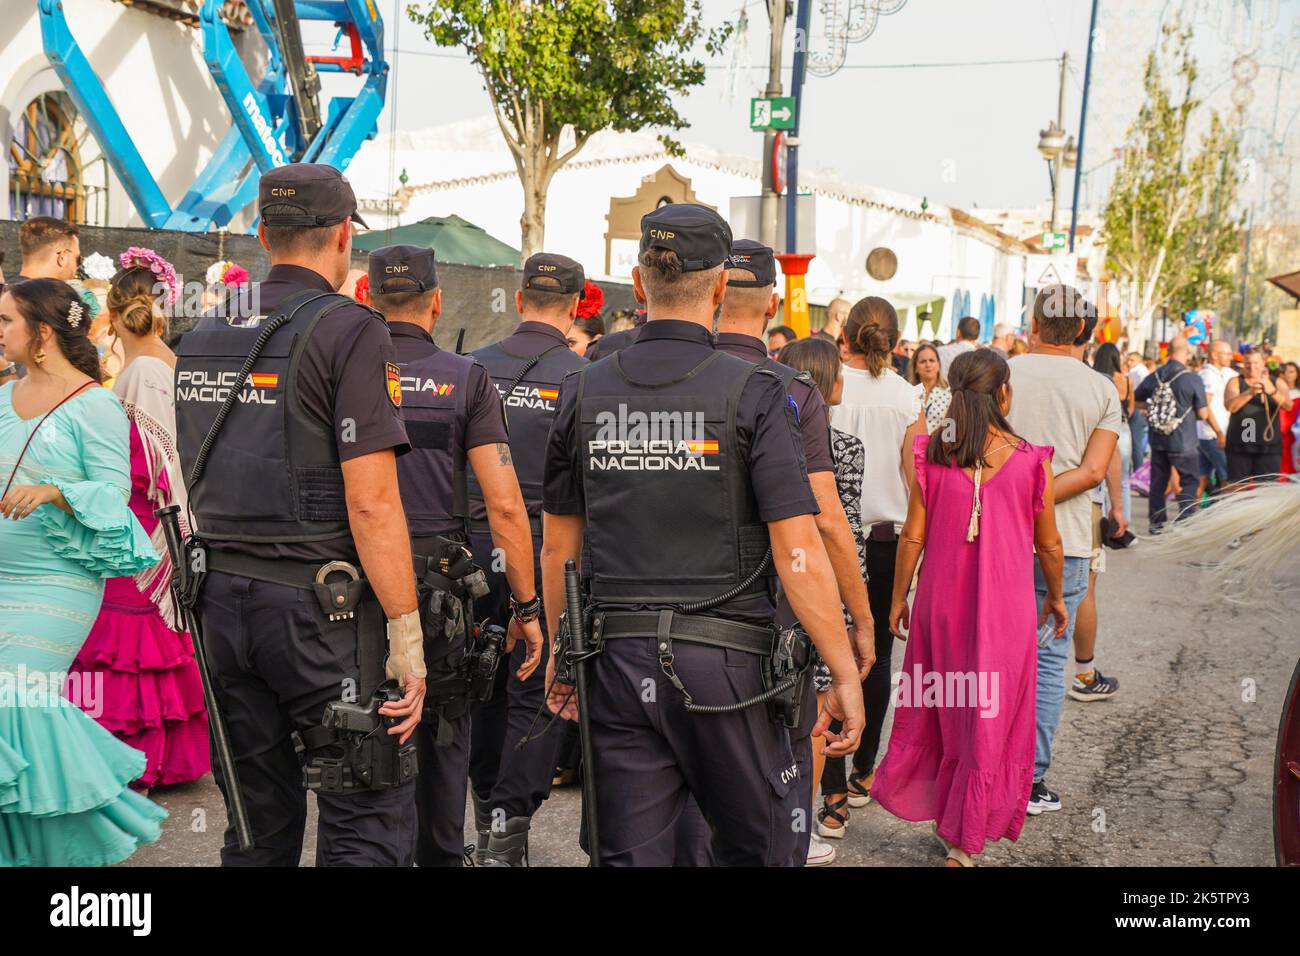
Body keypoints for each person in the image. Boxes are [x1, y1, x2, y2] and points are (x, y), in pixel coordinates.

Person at [540, 203, 865, 866]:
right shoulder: (758, 392)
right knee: (761, 847)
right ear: (720, 289)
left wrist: (562, 653)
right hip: (730, 671)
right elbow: (798, 549)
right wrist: (842, 668)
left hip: (618, 663)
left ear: (639, 285)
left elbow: (558, 549)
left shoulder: (582, 390)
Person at [174, 164, 426, 866]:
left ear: (261, 233)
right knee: (364, 812)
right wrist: (408, 637)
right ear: (345, 236)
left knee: (255, 824)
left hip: (220, 603)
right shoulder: (351, 330)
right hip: (321, 613)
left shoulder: (204, 328)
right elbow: (372, 501)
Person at [366, 244, 544, 867]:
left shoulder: (337, 370)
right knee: (443, 739)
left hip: (352, 582)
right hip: (437, 589)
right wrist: (526, 605)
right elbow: (504, 508)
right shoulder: (465, 378)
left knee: (357, 728)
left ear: (366, 297)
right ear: (437, 303)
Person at [716, 240, 874, 867]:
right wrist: (857, 623)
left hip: (649, 622)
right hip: (768, 617)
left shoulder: (638, 374)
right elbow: (826, 524)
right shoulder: (788, 390)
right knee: (777, 765)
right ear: (772, 304)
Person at [875, 349, 1066, 866]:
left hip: (941, 608)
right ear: (1003, 394)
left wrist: (899, 598)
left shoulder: (934, 453)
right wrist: (1054, 594)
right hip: (1004, 616)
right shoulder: (1031, 460)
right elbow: (1049, 545)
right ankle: (965, 839)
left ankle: (950, 821)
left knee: (947, 708)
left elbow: (913, 535)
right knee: (990, 716)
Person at [0, 277, 167, 865]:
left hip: (55, 583)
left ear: (41, 332)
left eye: (6, 321)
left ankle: (71, 845)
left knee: (14, 699)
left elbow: (115, 496)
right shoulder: (0, 397)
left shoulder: (94, 404)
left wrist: (53, 491)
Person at [66, 253, 209, 790]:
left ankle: (130, 755)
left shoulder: (145, 370)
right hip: (140, 515)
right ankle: (148, 754)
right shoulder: (160, 363)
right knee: (137, 640)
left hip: (141, 519)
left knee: (126, 643)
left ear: (118, 314)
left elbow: (153, 461)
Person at [467, 252, 590, 865]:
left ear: (519, 301)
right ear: (575, 306)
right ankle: (506, 824)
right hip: (549, 546)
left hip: (470, 546)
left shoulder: (470, 367)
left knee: (479, 681)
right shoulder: (585, 375)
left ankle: (490, 811)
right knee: (541, 683)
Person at [1006, 284, 1120, 814]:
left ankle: (987, 766)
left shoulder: (1003, 372)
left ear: (1035, 323)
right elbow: (1095, 471)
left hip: (995, 535)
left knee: (993, 654)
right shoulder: (1101, 388)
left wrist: (1012, 495)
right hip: (1067, 541)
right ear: (1082, 330)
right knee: (1050, 659)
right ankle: (1029, 781)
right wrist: (1040, 496)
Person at [819, 294, 922, 837]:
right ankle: (862, 772)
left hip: (828, 537)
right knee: (877, 655)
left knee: (827, 656)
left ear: (848, 332)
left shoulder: (827, 382)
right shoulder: (908, 396)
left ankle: (831, 789)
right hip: (888, 540)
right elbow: (914, 480)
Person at [778, 335, 867, 865]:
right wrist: (858, 614)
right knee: (814, 711)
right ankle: (801, 824)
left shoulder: (760, 434)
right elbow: (844, 528)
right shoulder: (846, 447)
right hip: (826, 587)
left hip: (774, 585)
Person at [1135, 336, 1218, 530]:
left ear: (1169, 351)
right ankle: (1185, 520)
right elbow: (1204, 413)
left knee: (1158, 481)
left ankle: (1157, 523)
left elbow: (1137, 399)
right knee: (1190, 480)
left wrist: (1154, 408)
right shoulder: (1192, 378)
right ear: (1186, 352)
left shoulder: (1155, 375)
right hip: (1184, 440)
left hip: (1157, 438)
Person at [1223, 350, 1293, 484]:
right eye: (1248, 363)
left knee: (1267, 489)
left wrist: (1271, 391)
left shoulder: (1276, 382)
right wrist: (1250, 392)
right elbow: (1231, 407)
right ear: (1243, 364)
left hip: (1269, 446)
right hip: (1240, 445)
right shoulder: (1236, 381)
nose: (1252, 366)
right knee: (1237, 488)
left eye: (1256, 363)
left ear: (1263, 363)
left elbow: (1288, 406)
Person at [1091, 343, 1134, 523]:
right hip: (1123, 429)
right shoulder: (1125, 380)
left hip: (1102, 430)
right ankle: (1124, 521)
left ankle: (1100, 518)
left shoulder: (1095, 379)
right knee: (1123, 480)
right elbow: (1130, 410)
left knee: (1099, 479)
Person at [1197, 339, 1235, 497]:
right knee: (1227, 477)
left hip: (1211, 434)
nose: (1230, 357)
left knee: (1203, 476)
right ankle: (1225, 516)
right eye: (1226, 353)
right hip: (1213, 435)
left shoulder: (1225, 373)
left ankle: (1190, 514)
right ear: (1214, 355)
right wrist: (1219, 432)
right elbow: (1206, 408)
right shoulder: (1208, 375)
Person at [12, 216, 81, 284]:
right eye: (78, 259)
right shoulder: (57, 294)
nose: (77, 267)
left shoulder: (5, 291)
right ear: (62, 258)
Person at [907, 341, 951, 435]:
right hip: (913, 448)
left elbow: (951, 431)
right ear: (915, 367)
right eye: (923, 361)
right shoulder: (909, 393)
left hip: (938, 448)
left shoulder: (949, 394)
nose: (928, 365)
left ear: (938, 364)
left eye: (932, 360)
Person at [1279, 361, 1300, 474]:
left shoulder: (1298, 392)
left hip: (1295, 433)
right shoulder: (1277, 392)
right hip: (1279, 432)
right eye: (1286, 372)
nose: (1289, 375)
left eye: (1292, 372)